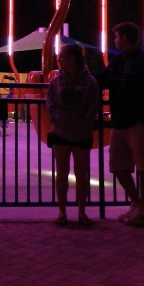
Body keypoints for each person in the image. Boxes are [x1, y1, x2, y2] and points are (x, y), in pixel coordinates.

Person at [97, 22, 144, 227]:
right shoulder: (118, 60)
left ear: (124, 38)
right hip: (120, 121)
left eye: (116, 37)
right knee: (117, 166)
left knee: (143, 166)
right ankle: (137, 203)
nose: (115, 40)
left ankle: (142, 209)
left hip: (137, 122)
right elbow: (100, 79)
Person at [46, 44, 99, 226]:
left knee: (81, 174)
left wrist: (83, 122)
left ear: (73, 58)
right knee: (62, 173)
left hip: (81, 134)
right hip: (61, 132)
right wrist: (56, 120)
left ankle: (81, 211)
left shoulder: (90, 81)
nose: (58, 59)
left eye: (61, 56)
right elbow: (50, 103)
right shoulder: (55, 81)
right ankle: (62, 211)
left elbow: (93, 106)